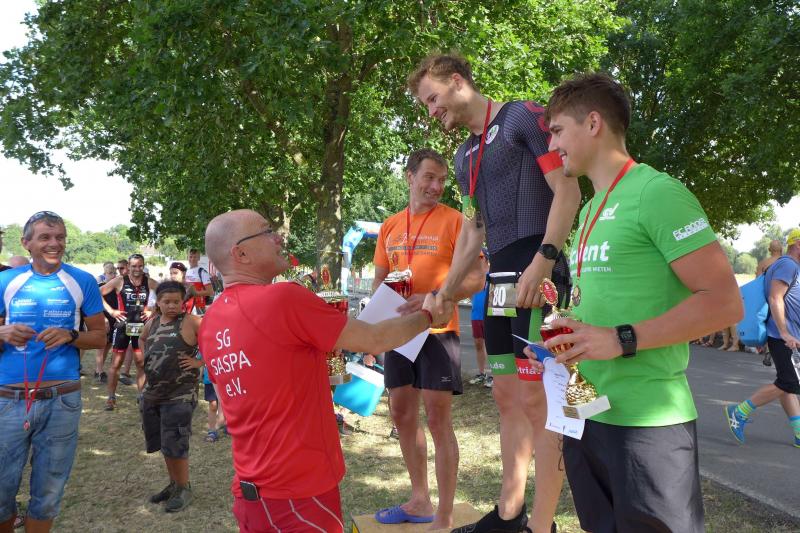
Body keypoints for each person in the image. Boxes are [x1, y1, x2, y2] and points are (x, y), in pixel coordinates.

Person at [530, 72, 742, 532]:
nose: (552, 144)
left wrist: (621, 338)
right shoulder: (590, 208)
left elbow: (726, 303)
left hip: (648, 423)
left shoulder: (657, 193)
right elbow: (602, 307)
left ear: (593, 123)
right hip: (588, 415)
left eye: (557, 130)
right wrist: (562, 343)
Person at [410, 53, 580, 533]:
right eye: (426, 105)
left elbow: (567, 191)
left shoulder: (522, 117)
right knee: (507, 396)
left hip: (538, 274)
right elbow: (474, 229)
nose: (432, 111)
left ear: (457, 81)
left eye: (433, 99)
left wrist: (542, 262)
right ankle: (509, 513)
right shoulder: (464, 155)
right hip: (500, 282)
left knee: (539, 401)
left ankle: (541, 526)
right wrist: (445, 292)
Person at [197, 209, 449, 533]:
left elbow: (269, 384)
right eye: (266, 231)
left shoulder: (210, 322)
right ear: (241, 253)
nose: (279, 238)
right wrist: (429, 317)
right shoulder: (283, 298)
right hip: (299, 496)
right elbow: (374, 340)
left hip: (253, 497)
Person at [371, 149, 486, 529]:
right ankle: (420, 499)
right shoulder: (389, 226)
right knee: (402, 415)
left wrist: (436, 295)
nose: (436, 186)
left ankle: (445, 514)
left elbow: (477, 278)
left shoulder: (455, 221)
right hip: (398, 332)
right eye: (429, 178)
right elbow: (379, 280)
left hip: (437, 332)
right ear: (410, 177)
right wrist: (374, 325)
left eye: (442, 180)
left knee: (438, 420)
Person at [0, 211, 105, 532]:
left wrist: (71, 335)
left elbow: (100, 337)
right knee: (1, 492)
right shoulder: (6, 281)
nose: (54, 243)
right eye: (45, 237)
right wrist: (2, 332)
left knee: (47, 494)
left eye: (60, 237)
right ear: (26, 243)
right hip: (9, 400)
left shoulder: (82, 281)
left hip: (62, 399)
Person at [725, 228, 800, 448]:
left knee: (788, 383)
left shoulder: (790, 266)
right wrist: (784, 332)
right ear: (798, 244)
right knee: (788, 382)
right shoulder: (788, 265)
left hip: (787, 334)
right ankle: (739, 412)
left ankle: (799, 432)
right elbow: (775, 298)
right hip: (783, 335)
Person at [139, 281, 203, 512]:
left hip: (180, 395)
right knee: (164, 444)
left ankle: (184, 488)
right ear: (158, 302)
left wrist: (199, 362)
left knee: (176, 442)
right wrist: (146, 357)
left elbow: (217, 342)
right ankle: (174, 484)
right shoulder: (153, 322)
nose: (172, 306)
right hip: (154, 393)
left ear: (183, 301)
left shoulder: (191, 321)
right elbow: (142, 339)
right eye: (166, 302)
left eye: (177, 301)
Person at [100, 253, 159, 409]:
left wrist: (153, 310)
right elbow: (98, 293)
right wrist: (111, 311)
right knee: (116, 363)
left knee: (141, 362)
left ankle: (142, 396)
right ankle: (111, 397)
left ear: (143, 266)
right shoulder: (119, 281)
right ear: (128, 266)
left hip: (142, 327)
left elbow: (166, 294)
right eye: (134, 266)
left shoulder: (149, 282)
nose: (137, 269)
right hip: (122, 326)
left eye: (140, 266)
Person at [468, 249, 492, 388]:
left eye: (480, 257)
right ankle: (482, 373)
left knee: (491, 345)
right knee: (478, 344)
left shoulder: (492, 274)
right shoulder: (473, 275)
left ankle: (495, 375)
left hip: (489, 314)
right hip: (476, 314)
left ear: (485, 259)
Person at [185, 249, 214, 315]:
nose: (192, 259)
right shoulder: (186, 272)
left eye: (195, 257)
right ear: (187, 257)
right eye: (190, 257)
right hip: (187, 306)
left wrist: (195, 293)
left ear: (199, 258)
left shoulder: (202, 272)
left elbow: (210, 292)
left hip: (198, 307)